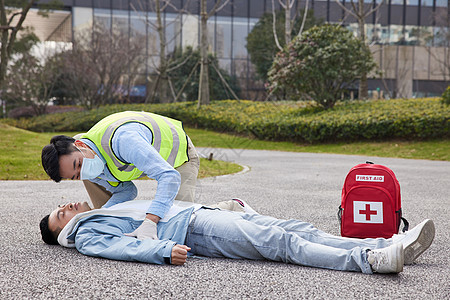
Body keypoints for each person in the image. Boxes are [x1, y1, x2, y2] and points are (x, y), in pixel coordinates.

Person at [39, 199, 435, 274]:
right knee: (281, 245)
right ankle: (368, 261)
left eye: (62, 205)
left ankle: (387, 245)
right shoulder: (87, 233)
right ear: (61, 232)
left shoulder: (104, 208)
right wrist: (161, 251)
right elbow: (121, 247)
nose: (66, 206)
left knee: (296, 230)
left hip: (199, 214)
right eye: (60, 214)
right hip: (193, 230)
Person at [41, 111, 246, 240]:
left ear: (81, 145)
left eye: (78, 164)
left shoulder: (123, 140)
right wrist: (103, 213)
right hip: (147, 159)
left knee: (183, 222)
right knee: (166, 220)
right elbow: (127, 190)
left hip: (179, 157)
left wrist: (150, 221)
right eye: (75, 176)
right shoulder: (86, 160)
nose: (83, 172)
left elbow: (169, 177)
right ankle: (107, 220)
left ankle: (231, 206)